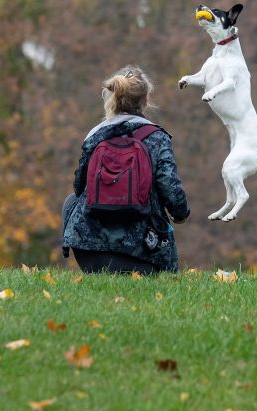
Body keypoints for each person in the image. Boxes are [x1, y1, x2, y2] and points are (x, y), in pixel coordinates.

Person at [61, 65, 190, 274]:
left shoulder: (95, 135)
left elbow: (79, 186)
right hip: (143, 257)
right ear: (146, 99)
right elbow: (170, 188)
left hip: (91, 255)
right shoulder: (157, 137)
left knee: (71, 200)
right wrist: (181, 214)